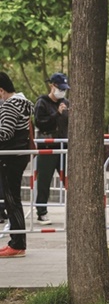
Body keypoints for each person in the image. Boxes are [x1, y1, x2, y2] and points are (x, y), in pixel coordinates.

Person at [0, 72, 34, 258]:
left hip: (10, 157)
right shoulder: (21, 102)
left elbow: (5, 133)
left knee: (12, 200)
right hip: (18, 156)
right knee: (13, 199)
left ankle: (17, 244)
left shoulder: (10, 106)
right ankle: (17, 242)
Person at [33, 72, 70, 225]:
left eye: (64, 88)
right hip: (48, 146)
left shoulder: (66, 102)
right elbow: (40, 123)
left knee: (70, 179)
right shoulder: (42, 102)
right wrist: (57, 114)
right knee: (44, 181)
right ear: (52, 86)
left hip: (64, 146)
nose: (62, 91)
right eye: (59, 88)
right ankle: (41, 211)